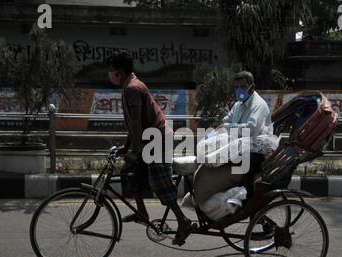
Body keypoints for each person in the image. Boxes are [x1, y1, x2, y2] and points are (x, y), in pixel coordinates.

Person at [106, 50, 196, 246]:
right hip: (150, 139)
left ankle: (183, 221)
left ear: (120, 71)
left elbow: (138, 123)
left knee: (160, 183)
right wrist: (127, 147)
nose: (110, 74)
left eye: (112, 71)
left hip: (159, 140)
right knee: (135, 177)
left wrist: (135, 152)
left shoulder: (132, 88)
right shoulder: (130, 85)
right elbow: (134, 124)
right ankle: (142, 212)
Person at [193, 71, 271, 206]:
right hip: (237, 147)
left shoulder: (259, 105)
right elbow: (224, 123)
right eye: (236, 87)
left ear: (251, 88)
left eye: (241, 87)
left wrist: (229, 127)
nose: (238, 90)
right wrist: (209, 137)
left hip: (255, 152)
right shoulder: (238, 105)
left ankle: (248, 202)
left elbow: (250, 129)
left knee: (242, 165)